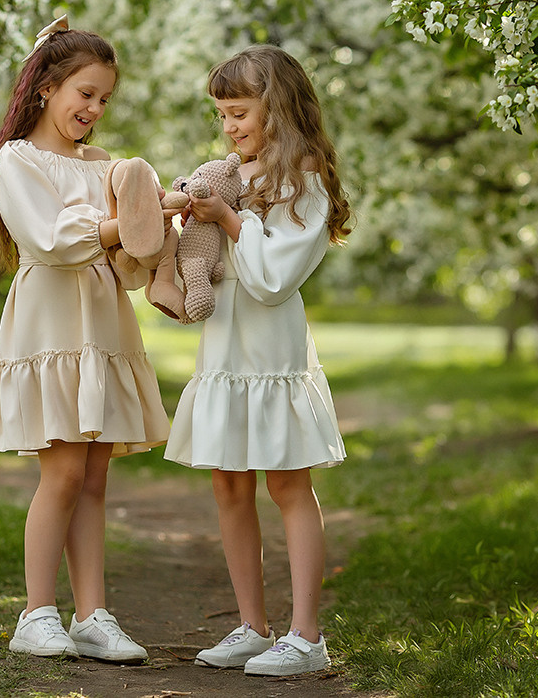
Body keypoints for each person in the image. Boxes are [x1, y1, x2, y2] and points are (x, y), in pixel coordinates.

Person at [0, 16, 174, 663]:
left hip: (103, 325)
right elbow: (52, 242)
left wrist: (159, 219)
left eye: (105, 98)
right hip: (52, 325)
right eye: (84, 92)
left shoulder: (105, 165)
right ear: (45, 88)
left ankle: (93, 612)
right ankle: (36, 612)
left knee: (93, 476)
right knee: (60, 471)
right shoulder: (18, 160)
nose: (94, 108)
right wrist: (125, 222)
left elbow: (127, 255)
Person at [165, 44, 353, 676]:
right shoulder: (228, 175)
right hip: (224, 343)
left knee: (288, 482)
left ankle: (306, 635)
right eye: (221, 115)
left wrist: (229, 219)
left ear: (277, 107)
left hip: (270, 349)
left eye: (239, 112)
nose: (229, 127)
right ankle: (251, 625)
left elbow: (276, 277)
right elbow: (208, 254)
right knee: (227, 480)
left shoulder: (304, 178)